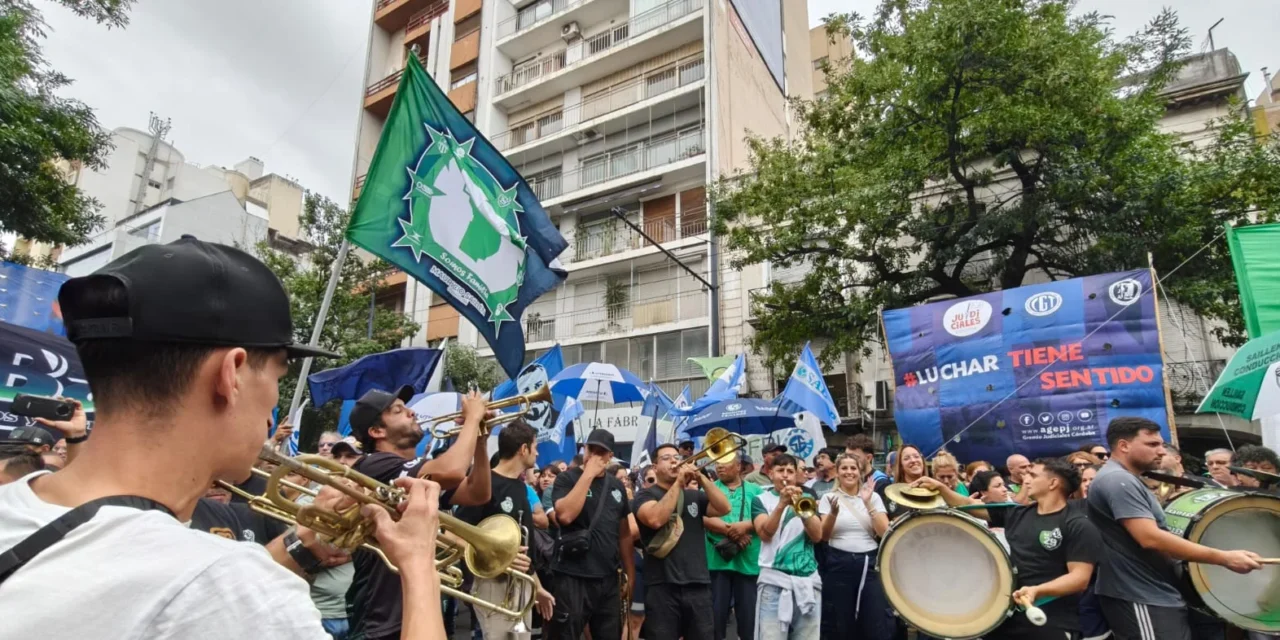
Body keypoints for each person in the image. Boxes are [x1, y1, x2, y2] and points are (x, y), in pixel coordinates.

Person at [0, 237, 446, 639]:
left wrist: (300, 543)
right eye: (277, 373)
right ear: (231, 374)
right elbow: (208, 592)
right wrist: (418, 563)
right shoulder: (234, 588)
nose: (272, 403)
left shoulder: (13, 503)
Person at [1088, 417, 1262, 640]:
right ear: (1124, 446)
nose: (1161, 451)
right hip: (1140, 593)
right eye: (1152, 445)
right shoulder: (1117, 480)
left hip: (1153, 593)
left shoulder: (1125, 479)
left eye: (1161, 444)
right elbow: (1149, 537)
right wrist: (1224, 558)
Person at [346, 384, 492, 640]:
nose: (412, 413)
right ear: (377, 431)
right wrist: (471, 420)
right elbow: (453, 471)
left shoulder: (414, 473)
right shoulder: (372, 465)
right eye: (398, 411)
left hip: (412, 606)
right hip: (380, 617)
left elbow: (478, 493)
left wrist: (480, 439)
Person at [916, 458, 1102, 640]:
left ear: (1053, 483)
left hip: (1051, 620)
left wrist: (1037, 590)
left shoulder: (1077, 524)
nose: (1026, 479)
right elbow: (967, 505)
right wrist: (941, 488)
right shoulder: (1017, 513)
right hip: (1007, 618)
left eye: (1033, 475)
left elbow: (1079, 578)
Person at [455, 420, 555, 638]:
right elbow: (453, 534)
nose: (537, 454)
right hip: (493, 585)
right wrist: (501, 558)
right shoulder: (486, 482)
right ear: (523, 449)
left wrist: (536, 587)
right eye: (535, 447)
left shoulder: (522, 488)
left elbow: (523, 550)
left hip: (521, 586)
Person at [632, 443, 729, 639]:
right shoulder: (645, 495)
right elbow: (655, 519)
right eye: (666, 458)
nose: (674, 461)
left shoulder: (694, 495)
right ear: (655, 466)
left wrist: (700, 476)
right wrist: (678, 483)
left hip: (698, 585)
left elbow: (724, 508)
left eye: (676, 457)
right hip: (662, 586)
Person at [548, 429, 637, 640]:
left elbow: (624, 534)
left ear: (609, 456)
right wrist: (588, 474)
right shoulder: (566, 479)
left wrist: (630, 575)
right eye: (591, 449)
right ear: (584, 449)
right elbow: (566, 515)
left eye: (602, 452)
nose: (595, 456)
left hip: (607, 578)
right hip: (572, 576)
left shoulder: (616, 486)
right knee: (565, 633)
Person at [752, 453, 824, 640]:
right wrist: (781, 505)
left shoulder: (807, 497)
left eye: (790, 471)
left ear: (796, 475)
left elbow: (817, 536)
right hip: (774, 583)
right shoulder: (761, 500)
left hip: (807, 581)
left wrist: (802, 510)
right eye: (780, 471)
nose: (785, 475)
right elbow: (764, 534)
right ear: (770, 474)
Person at [818, 454, 891, 640]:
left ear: (860, 473)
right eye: (844, 468)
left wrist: (868, 503)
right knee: (840, 621)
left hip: (870, 563)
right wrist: (833, 514)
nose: (849, 472)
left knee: (874, 619)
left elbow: (884, 532)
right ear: (837, 472)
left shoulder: (873, 496)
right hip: (838, 563)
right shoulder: (828, 497)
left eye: (853, 468)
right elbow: (824, 536)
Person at [704, 457, 763, 640]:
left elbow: (766, 519)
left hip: (748, 562)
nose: (719, 466)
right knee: (715, 617)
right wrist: (730, 530)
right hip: (717, 562)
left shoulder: (756, 491)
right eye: (717, 463)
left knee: (749, 618)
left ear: (738, 466)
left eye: (725, 462)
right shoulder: (708, 490)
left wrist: (746, 526)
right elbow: (701, 516)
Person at [845, 434, 892, 507]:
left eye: (853, 457)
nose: (848, 460)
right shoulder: (848, 479)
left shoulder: (881, 482)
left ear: (868, 458)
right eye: (846, 456)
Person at [887, 444, 927, 517]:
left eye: (916, 456)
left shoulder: (935, 489)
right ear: (901, 466)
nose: (913, 460)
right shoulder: (894, 495)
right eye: (906, 458)